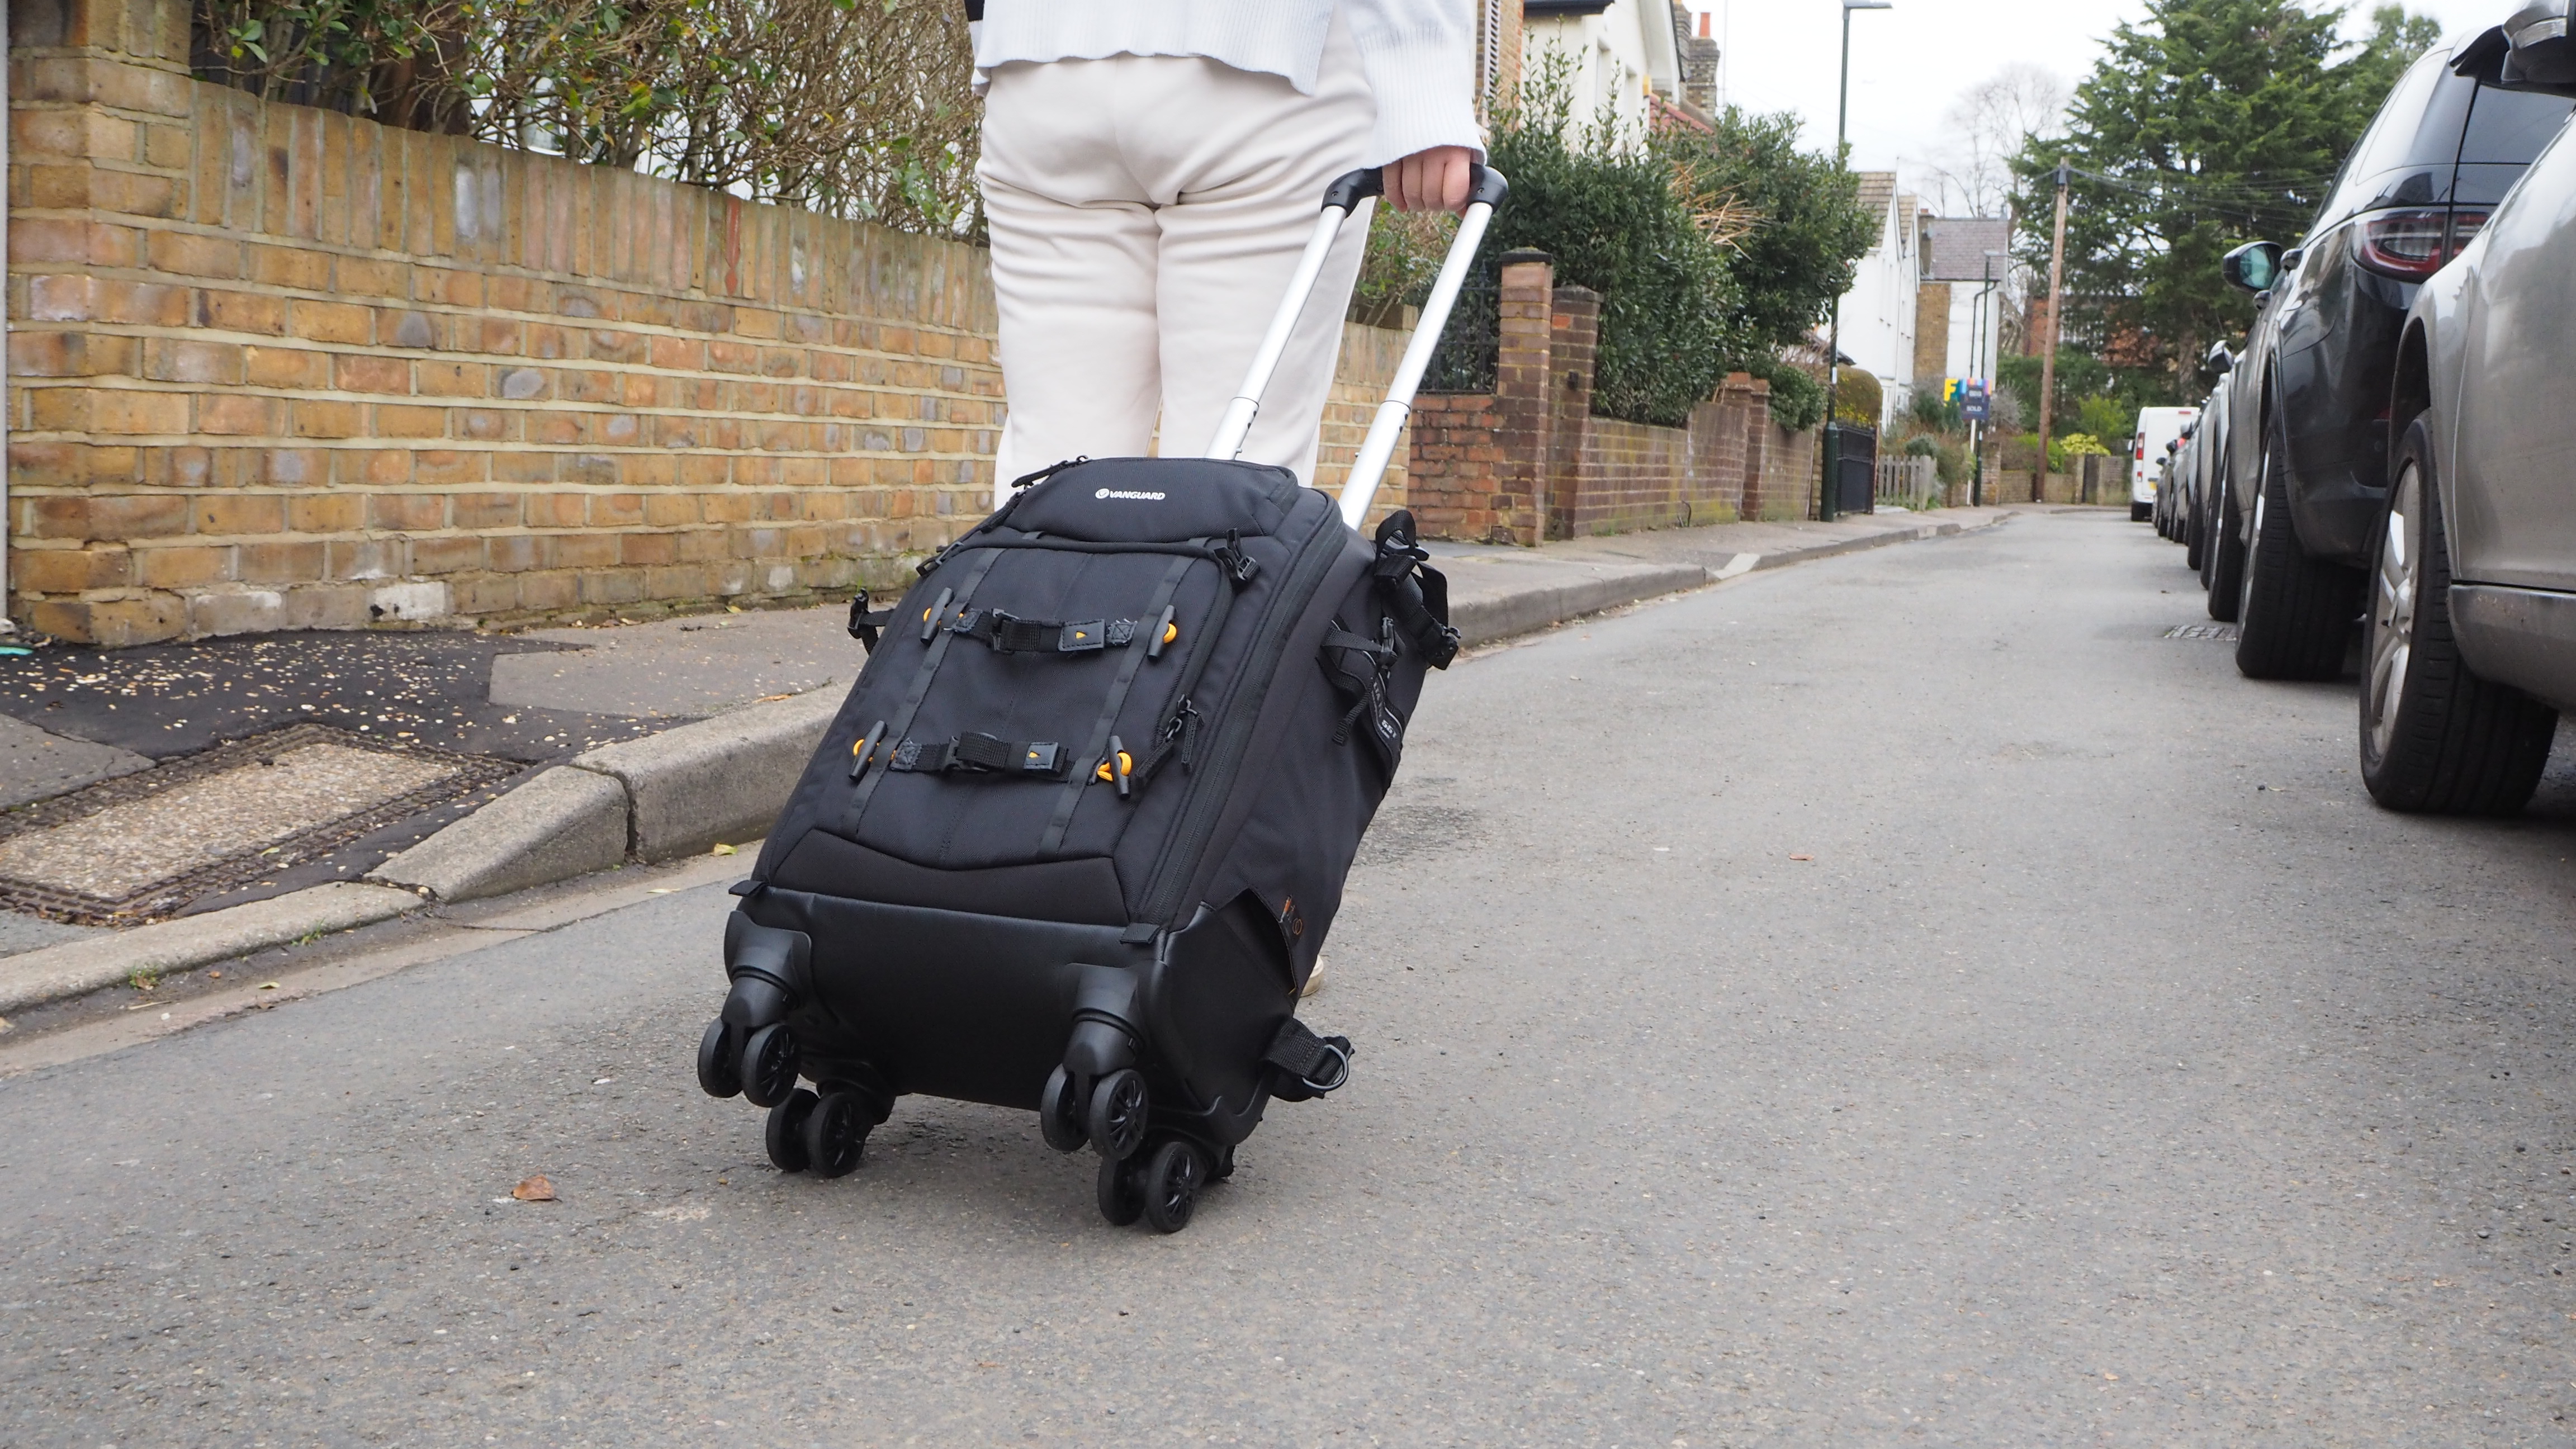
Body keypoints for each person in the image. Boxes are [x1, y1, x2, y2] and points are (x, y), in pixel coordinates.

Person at [971, 1, 1485, 504]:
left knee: (1050, 485)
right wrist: (1426, 80)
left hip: (1037, 68)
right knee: (1232, 485)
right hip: (1267, 65)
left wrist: (994, 35)